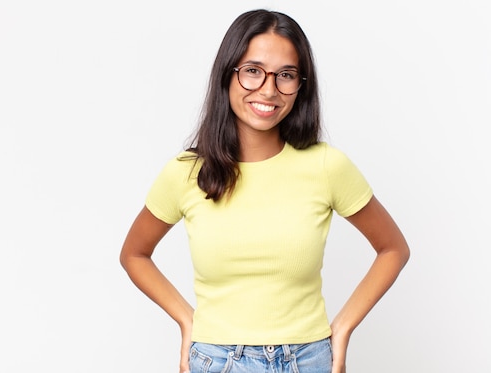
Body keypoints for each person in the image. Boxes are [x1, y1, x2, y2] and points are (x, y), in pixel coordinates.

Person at [119, 8, 410, 373]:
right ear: (228, 73)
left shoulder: (327, 166)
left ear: (301, 85)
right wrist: (186, 321)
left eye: (286, 75)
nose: (269, 90)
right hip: (218, 360)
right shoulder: (187, 173)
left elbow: (393, 248)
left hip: (308, 360)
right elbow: (134, 254)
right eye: (253, 71)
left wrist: (343, 328)